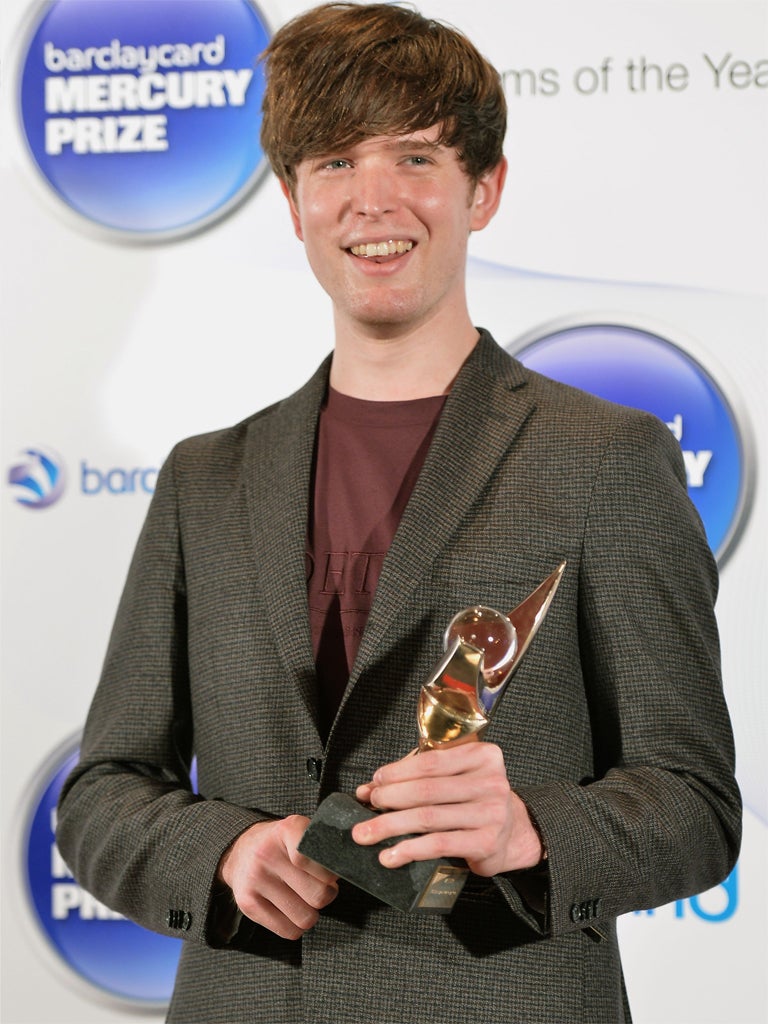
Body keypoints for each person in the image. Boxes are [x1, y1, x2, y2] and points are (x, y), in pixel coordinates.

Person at [57, 4, 741, 1022]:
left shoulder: (610, 458)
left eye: (415, 156)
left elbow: (692, 801)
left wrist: (528, 831)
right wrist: (227, 853)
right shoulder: (207, 479)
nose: (374, 200)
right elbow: (106, 788)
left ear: (485, 188)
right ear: (293, 202)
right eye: (334, 162)